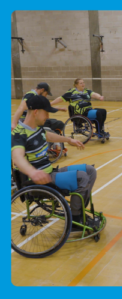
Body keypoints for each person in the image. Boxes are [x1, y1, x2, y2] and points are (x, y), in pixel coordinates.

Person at [11, 95, 96, 225]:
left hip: (50, 173)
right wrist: (32, 172)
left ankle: (78, 211)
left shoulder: (37, 128)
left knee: (90, 171)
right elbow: (17, 157)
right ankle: (75, 220)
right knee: (82, 178)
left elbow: (48, 136)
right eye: (46, 113)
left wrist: (69, 140)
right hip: (38, 182)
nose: (48, 117)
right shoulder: (18, 134)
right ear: (36, 112)